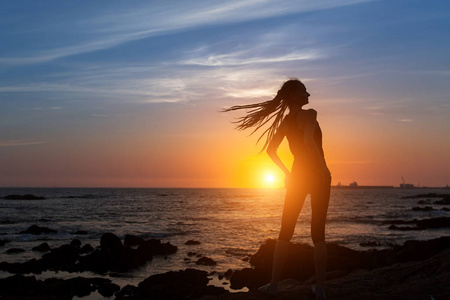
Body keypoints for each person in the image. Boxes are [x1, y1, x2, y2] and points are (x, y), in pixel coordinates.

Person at [223, 78, 331, 300]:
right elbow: (310, 141)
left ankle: (273, 285)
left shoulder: (285, 122)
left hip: (297, 177)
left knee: (285, 231)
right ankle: (320, 289)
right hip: (317, 177)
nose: (308, 95)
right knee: (318, 233)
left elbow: (271, 150)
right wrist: (323, 169)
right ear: (294, 96)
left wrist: (287, 173)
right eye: (304, 91)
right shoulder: (310, 114)